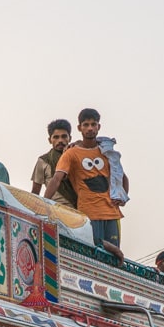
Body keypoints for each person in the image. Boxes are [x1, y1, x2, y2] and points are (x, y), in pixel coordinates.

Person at [41, 108, 128, 258]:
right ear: (79, 128)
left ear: (98, 127)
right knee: (93, 254)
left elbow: (121, 176)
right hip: (88, 213)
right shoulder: (71, 153)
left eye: (93, 124)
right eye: (86, 125)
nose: (90, 128)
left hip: (112, 213)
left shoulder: (106, 151)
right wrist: (43, 205)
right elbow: (56, 179)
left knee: (114, 259)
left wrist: (123, 196)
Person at [29, 119, 77, 207]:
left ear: (70, 138)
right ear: (50, 140)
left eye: (64, 136)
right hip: (55, 209)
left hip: (79, 209)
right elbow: (35, 193)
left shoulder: (77, 156)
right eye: (56, 137)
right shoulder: (43, 161)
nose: (60, 140)